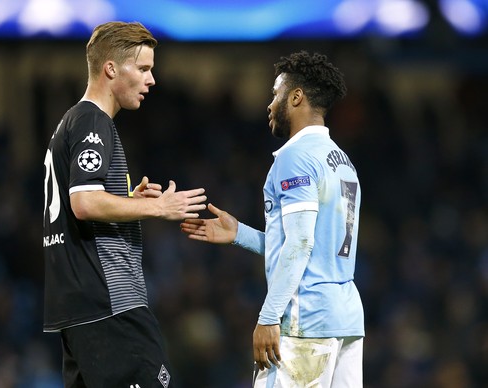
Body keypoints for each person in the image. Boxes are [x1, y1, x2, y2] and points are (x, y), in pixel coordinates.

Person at [181, 51, 364, 387]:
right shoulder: (341, 161)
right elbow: (315, 248)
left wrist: (268, 317)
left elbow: (301, 243)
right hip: (346, 318)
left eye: (275, 94)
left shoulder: (295, 158)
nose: (269, 104)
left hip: (304, 319)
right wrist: (241, 234)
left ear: (296, 97)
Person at [43, 21, 206, 388]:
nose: (152, 80)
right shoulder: (92, 121)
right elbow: (84, 202)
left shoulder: (71, 122)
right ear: (111, 69)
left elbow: (77, 203)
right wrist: (158, 208)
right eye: (144, 69)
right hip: (109, 302)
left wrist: (129, 201)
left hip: (78, 306)